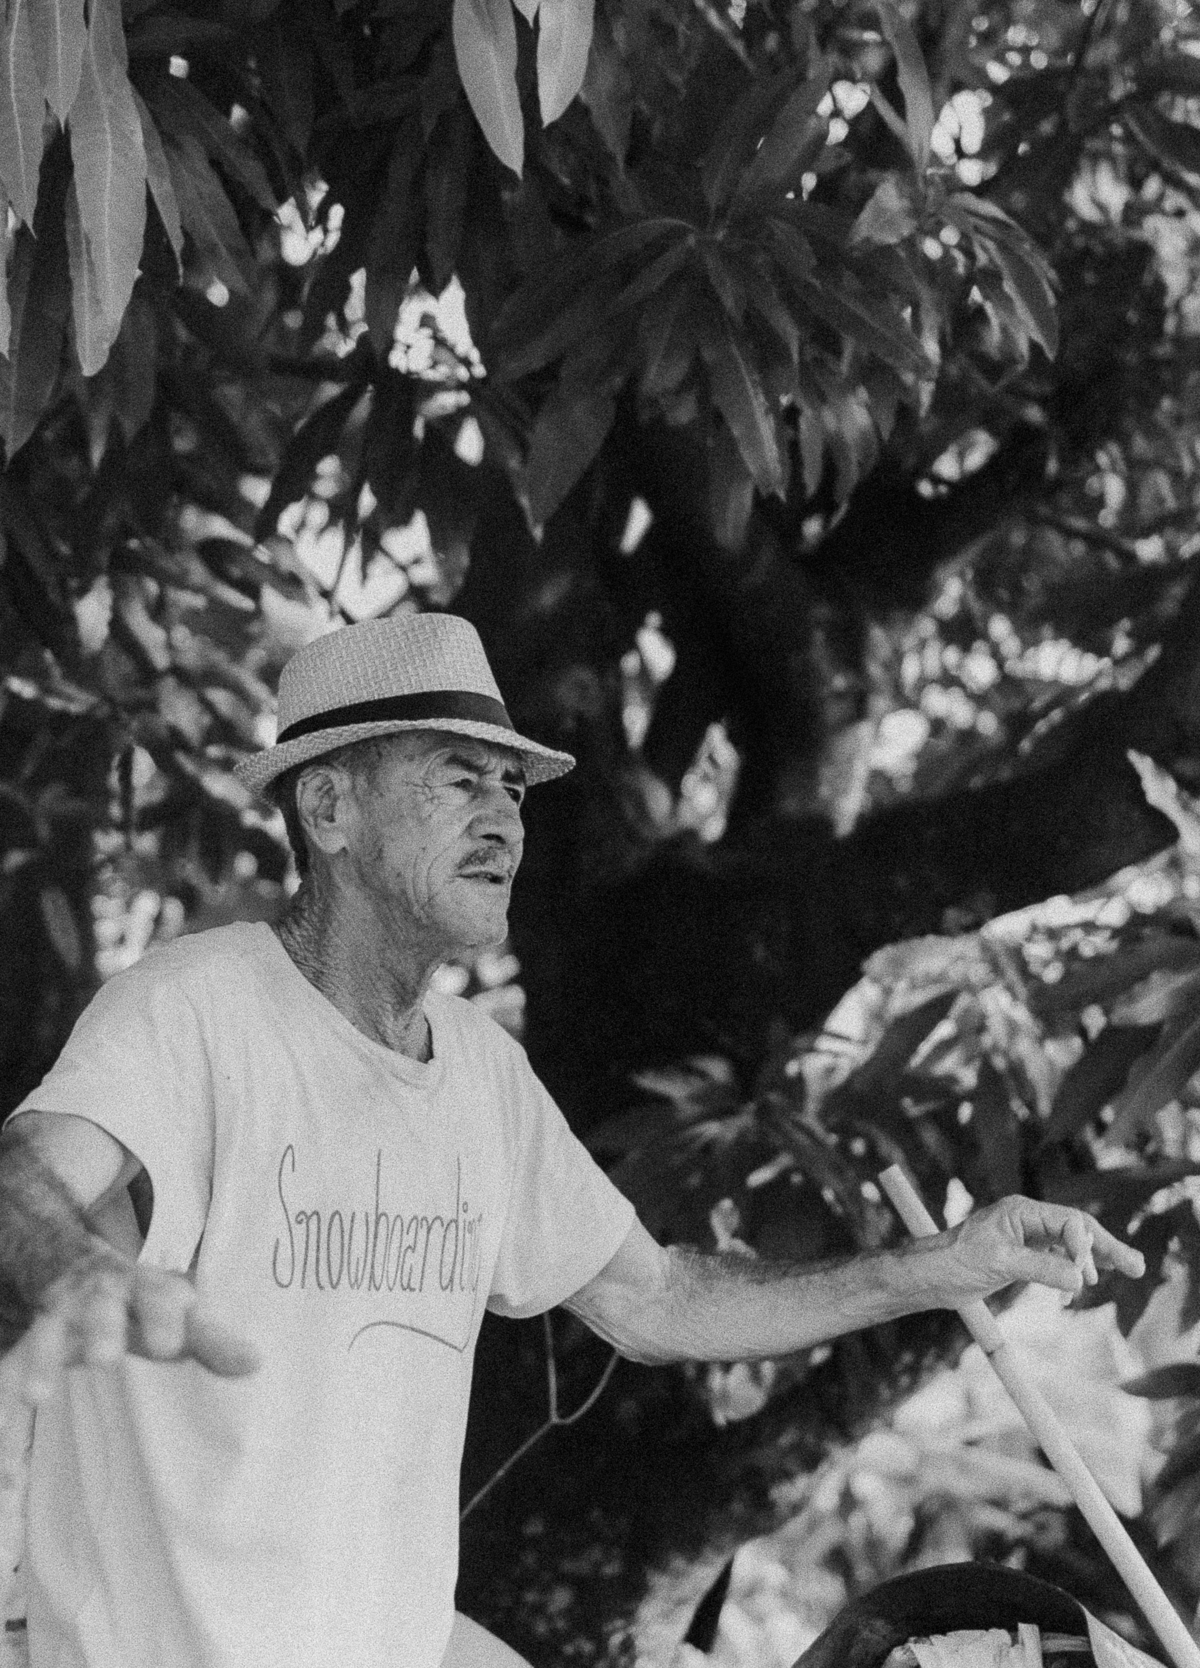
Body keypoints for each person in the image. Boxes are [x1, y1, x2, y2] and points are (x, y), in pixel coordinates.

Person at [0, 612, 1143, 1668]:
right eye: (458, 779)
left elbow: (660, 1301)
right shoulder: (197, 1009)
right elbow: (21, 1182)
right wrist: (74, 1266)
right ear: (330, 808)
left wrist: (938, 1267)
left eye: (512, 787)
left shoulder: (478, 1070)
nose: (504, 818)